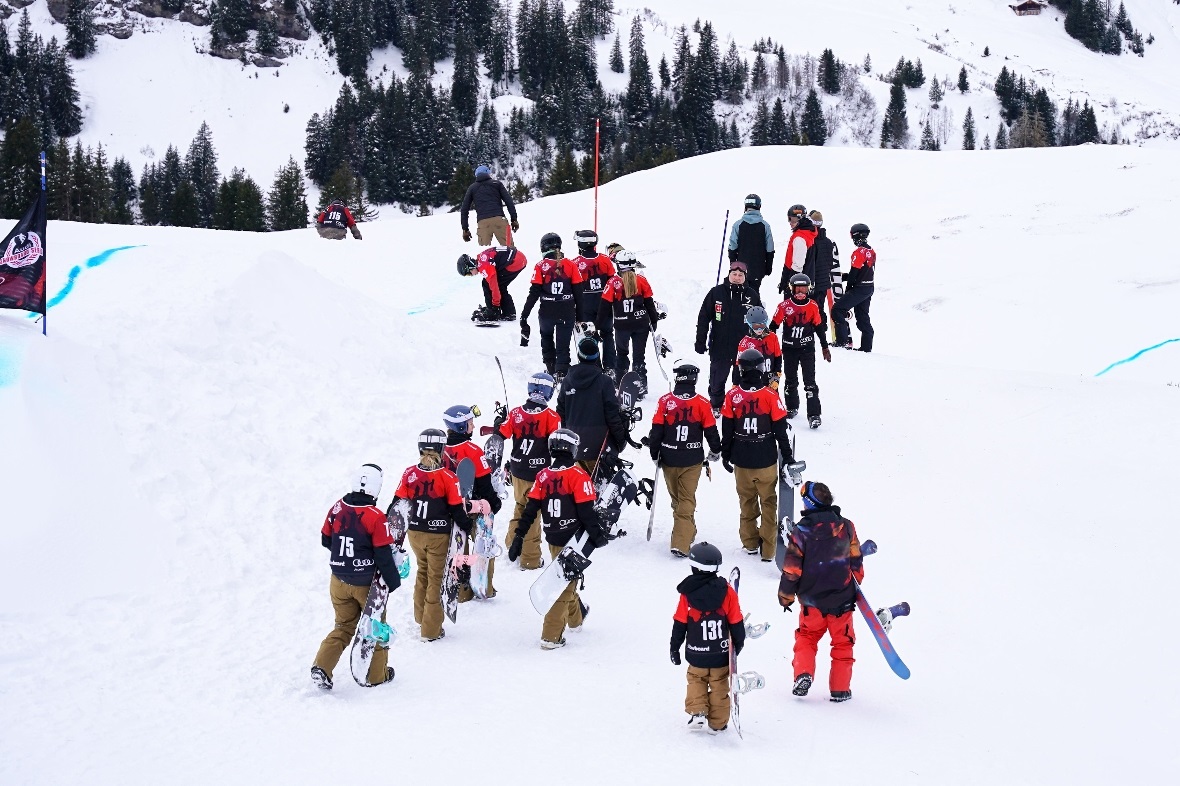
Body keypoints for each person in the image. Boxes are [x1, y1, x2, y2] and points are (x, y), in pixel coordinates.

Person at [507, 428, 611, 649]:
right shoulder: (578, 476)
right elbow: (586, 512)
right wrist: (597, 535)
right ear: (573, 449)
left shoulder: (543, 476)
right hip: (573, 538)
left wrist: (519, 536)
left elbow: (530, 509)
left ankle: (577, 618)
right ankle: (551, 637)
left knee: (566, 577)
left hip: (552, 536)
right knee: (563, 583)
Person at [311, 464, 400, 690]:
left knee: (343, 625)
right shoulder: (376, 517)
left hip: (338, 580)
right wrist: (393, 581)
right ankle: (377, 675)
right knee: (375, 626)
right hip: (366, 585)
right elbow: (383, 555)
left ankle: (322, 665)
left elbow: (325, 540)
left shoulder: (336, 508)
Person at [778, 481, 864, 703]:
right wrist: (856, 583)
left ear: (809, 503)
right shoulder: (847, 526)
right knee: (842, 644)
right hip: (842, 601)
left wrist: (786, 596)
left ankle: (804, 673)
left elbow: (792, 569)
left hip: (812, 603)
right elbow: (855, 559)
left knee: (807, 637)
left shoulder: (801, 532)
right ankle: (840, 689)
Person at [393, 429, 475, 642]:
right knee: (437, 578)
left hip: (414, 533)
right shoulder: (448, 477)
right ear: (441, 449)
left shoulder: (409, 473)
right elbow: (457, 510)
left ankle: (421, 616)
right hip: (438, 534)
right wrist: (468, 527)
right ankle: (431, 629)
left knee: (423, 571)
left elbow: (397, 504)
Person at [720, 348, 800, 563]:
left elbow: (726, 430)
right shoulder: (770, 395)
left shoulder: (733, 395)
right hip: (765, 459)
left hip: (741, 459)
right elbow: (781, 432)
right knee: (769, 503)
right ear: (761, 368)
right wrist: (788, 457)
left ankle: (749, 543)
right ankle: (768, 550)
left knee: (746, 502)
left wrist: (725, 454)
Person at [669, 542, 745, 734]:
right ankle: (718, 723)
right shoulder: (728, 592)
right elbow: (736, 620)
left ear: (695, 567)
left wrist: (674, 647)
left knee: (696, 679)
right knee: (720, 686)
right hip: (720, 653)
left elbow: (680, 623)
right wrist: (739, 642)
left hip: (696, 652)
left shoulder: (687, 594)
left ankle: (698, 712)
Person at [648, 362, 722, 557]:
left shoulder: (665, 401)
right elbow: (711, 431)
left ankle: (680, 542)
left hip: (669, 457)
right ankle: (688, 530)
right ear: (694, 379)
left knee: (682, 500)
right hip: (691, 458)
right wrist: (716, 450)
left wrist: (654, 452)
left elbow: (656, 430)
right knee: (682, 500)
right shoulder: (703, 403)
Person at [496, 372, 562, 570]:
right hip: (539, 474)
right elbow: (557, 446)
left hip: (517, 470)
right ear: (548, 392)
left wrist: (500, 421)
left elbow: (500, 435)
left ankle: (512, 543)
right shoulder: (551, 416)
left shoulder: (516, 413)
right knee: (533, 513)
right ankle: (530, 558)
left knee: (521, 505)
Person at [440, 405, 502, 600]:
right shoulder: (473, 450)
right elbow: (484, 484)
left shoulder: (440, 450)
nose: (473, 427)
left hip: (448, 508)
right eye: (470, 423)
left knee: (458, 548)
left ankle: (461, 591)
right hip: (474, 507)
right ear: (460, 427)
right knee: (484, 545)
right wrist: (495, 503)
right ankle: (485, 586)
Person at [695, 260, 763, 414]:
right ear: (729, 274)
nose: (737, 277)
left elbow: (760, 320)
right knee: (717, 380)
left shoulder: (752, 295)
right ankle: (716, 405)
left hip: (743, 348)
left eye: (740, 275)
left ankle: (739, 406)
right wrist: (700, 340)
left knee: (741, 380)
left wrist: (761, 342)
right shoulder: (716, 292)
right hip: (720, 346)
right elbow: (704, 317)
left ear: (745, 277)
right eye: (734, 274)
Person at [556, 335, 630, 477]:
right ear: (597, 356)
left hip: (574, 446)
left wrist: (568, 435)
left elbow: (561, 413)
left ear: (579, 355)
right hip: (598, 446)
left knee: (580, 490)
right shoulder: (605, 382)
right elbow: (612, 415)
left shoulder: (567, 381)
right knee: (599, 491)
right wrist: (621, 439)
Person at [520, 233, 586, 380]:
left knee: (547, 338)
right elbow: (579, 295)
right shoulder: (571, 265)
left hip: (547, 311)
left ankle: (550, 370)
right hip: (567, 310)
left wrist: (524, 314)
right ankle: (562, 372)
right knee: (563, 346)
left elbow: (534, 293)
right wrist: (580, 316)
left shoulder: (540, 266)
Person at [771, 274, 831, 428]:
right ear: (791, 289)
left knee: (810, 382)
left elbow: (818, 327)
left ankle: (814, 415)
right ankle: (791, 407)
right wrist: (766, 346)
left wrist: (825, 346)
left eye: (803, 289)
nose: (800, 293)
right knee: (790, 380)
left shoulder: (812, 306)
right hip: (789, 349)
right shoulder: (783, 306)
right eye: (797, 289)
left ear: (809, 289)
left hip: (807, 349)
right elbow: (773, 327)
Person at [598, 250, 659, 394]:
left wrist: (598, 326)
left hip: (622, 326)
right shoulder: (642, 280)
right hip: (641, 325)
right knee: (639, 356)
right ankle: (641, 386)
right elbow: (649, 303)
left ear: (618, 265)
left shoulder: (613, 282)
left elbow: (604, 307)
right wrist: (654, 321)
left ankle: (621, 383)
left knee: (622, 354)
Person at [572, 230, 618, 375]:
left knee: (589, 335)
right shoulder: (605, 260)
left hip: (585, 304)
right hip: (604, 303)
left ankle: (595, 367)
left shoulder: (576, 263)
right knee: (608, 334)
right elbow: (613, 281)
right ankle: (610, 367)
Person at [832, 223, 876, 352]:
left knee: (838, 309)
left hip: (859, 288)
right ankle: (866, 348)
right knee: (862, 316)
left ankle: (841, 341)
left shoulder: (858, 252)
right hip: (868, 288)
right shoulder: (871, 251)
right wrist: (844, 277)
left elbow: (854, 273)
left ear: (855, 236)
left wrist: (848, 288)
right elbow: (863, 271)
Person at [458, 245, 527, 323]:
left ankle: (496, 312)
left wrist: (495, 307)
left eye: (469, 274)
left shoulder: (484, 266)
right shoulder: (481, 259)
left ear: (470, 267)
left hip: (515, 262)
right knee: (491, 283)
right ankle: (507, 312)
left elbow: (494, 287)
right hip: (518, 257)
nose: (471, 275)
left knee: (495, 285)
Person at [803, 210, 843, 337]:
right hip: (824, 281)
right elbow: (831, 264)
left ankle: (818, 328)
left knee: (812, 307)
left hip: (813, 281)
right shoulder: (828, 242)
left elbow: (809, 263)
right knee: (819, 307)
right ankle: (822, 327)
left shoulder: (812, 241)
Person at [460, 165, 518, 247]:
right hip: (499, 219)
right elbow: (509, 202)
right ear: (488, 173)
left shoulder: (472, 188)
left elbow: (464, 209)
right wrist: (514, 219)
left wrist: (465, 229)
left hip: (483, 222)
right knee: (510, 250)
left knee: (484, 254)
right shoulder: (497, 184)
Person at [727, 194, 775, 293]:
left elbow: (732, 246)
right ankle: (754, 307)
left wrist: (733, 264)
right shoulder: (765, 226)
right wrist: (768, 266)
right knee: (754, 293)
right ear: (759, 206)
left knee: (740, 293)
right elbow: (770, 248)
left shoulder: (738, 225)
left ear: (745, 206)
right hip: (758, 268)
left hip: (740, 268)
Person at [734, 306, 783, 396]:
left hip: (770, 382)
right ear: (749, 324)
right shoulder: (745, 342)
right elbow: (738, 365)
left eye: (762, 325)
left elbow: (778, 358)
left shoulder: (772, 337)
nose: (759, 329)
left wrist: (776, 378)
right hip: (752, 384)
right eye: (756, 326)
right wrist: (735, 384)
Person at [776, 204, 817, 294]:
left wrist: (789, 284)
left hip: (798, 283)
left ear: (801, 219)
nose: (790, 222)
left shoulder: (800, 238)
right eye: (789, 219)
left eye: (793, 219)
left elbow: (798, 265)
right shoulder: (807, 233)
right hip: (804, 280)